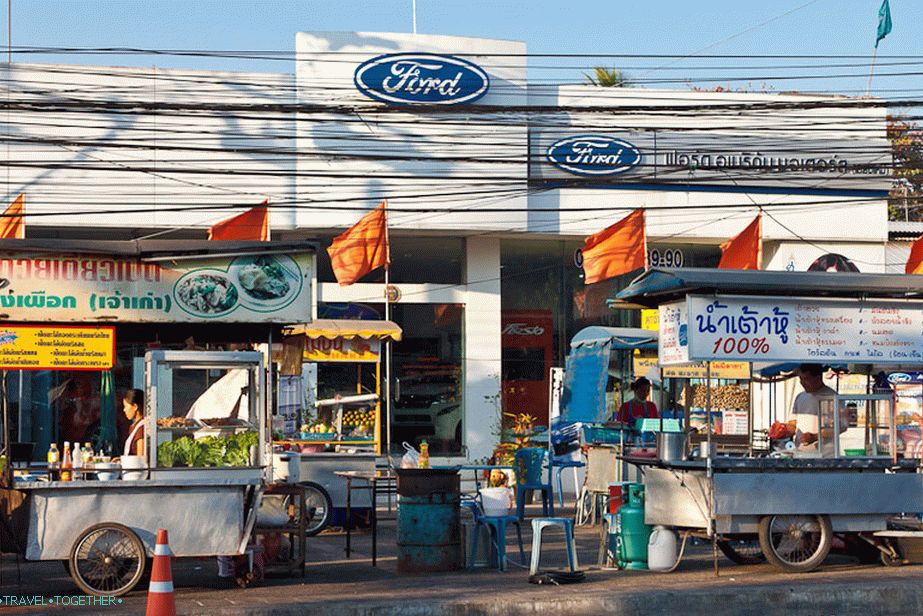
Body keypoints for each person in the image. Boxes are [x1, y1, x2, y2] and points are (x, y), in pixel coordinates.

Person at [791, 364, 839, 449]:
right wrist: (782, 430)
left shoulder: (833, 397)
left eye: (806, 379)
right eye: (801, 379)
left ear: (817, 378)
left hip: (825, 455)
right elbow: (793, 423)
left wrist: (815, 437)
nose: (802, 383)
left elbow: (840, 427)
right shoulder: (800, 397)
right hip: (800, 453)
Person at [122, 388, 145, 457]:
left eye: (126, 406)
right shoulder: (134, 426)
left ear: (135, 406)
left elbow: (140, 457)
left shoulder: (142, 427)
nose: (124, 410)